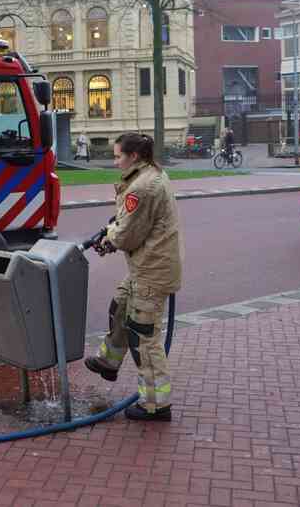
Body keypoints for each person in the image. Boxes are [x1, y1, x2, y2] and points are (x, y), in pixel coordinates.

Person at [82, 133, 182, 421]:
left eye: (117, 157)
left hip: (152, 271)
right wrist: (114, 231)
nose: (115, 162)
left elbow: (126, 236)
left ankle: (155, 405)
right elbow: (132, 224)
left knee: (144, 339)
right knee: (121, 304)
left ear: (133, 156)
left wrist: (111, 237)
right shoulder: (151, 174)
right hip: (147, 266)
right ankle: (108, 361)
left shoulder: (142, 188)